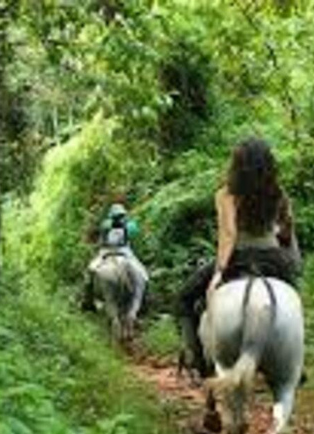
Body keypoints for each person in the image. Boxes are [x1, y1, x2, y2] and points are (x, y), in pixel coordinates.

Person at [178, 138, 302, 376]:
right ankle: (296, 362)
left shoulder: (226, 194)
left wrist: (220, 272)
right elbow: (287, 230)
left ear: (237, 164)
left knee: (184, 298)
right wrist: (291, 260)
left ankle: (196, 357)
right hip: (274, 257)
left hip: (239, 257)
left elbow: (229, 234)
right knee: (294, 302)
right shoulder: (279, 193)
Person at [82, 202, 148, 311]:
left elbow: (102, 237)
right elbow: (135, 234)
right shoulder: (129, 224)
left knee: (91, 270)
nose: (119, 218)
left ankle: (88, 299)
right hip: (125, 252)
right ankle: (143, 300)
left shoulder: (106, 224)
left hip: (106, 252)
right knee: (143, 274)